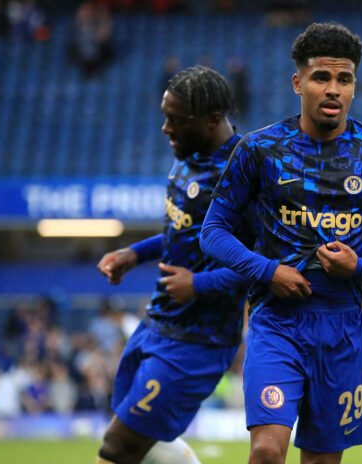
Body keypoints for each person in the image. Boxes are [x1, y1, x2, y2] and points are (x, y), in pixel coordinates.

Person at [201, 22, 362, 464]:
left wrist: (361, 268)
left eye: (343, 79)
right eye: (321, 77)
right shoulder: (258, 150)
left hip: (342, 328)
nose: (333, 89)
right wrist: (268, 271)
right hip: (276, 322)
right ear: (298, 82)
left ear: (354, 86)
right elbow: (213, 232)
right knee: (268, 451)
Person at [96, 66, 254, 464]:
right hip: (158, 323)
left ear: (212, 120)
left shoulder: (244, 176)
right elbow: (180, 233)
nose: (166, 129)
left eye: (175, 120)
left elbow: (260, 265)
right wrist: (135, 254)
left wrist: (198, 284)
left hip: (197, 341)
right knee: (140, 438)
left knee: (118, 447)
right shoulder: (186, 158)